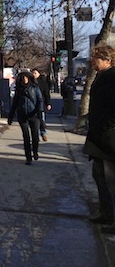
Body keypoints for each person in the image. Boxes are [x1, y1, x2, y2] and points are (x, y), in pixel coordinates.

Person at [83, 43, 115, 231]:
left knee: (109, 179)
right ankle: (106, 214)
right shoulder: (102, 76)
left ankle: (111, 217)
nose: (92, 61)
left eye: (95, 58)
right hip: (100, 137)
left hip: (108, 138)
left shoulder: (111, 77)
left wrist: (107, 128)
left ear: (107, 60)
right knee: (99, 175)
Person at [8, 71, 44, 165]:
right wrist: (10, 116)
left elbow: (40, 100)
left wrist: (38, 111)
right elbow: (14, 103)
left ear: (29, 78)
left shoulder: (35, 88)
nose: (24, 79)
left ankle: (35, 151)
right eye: (23, 78)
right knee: (26, 136)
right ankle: (28, 158)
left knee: (35, 135)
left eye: (26, 77)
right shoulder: (19, 90)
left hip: (34, 115)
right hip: (22, 115)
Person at [32, 69, 52, 141]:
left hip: (41, 105)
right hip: (32, 105)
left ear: (39, 74)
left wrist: (48, 103)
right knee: (34, 121)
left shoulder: (43, 82)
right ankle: (36, 135)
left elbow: (46, 94)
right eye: (33, 73)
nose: (34, 74)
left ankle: (43, 133)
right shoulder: (30, 82)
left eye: (35, 73)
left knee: (41, 120)